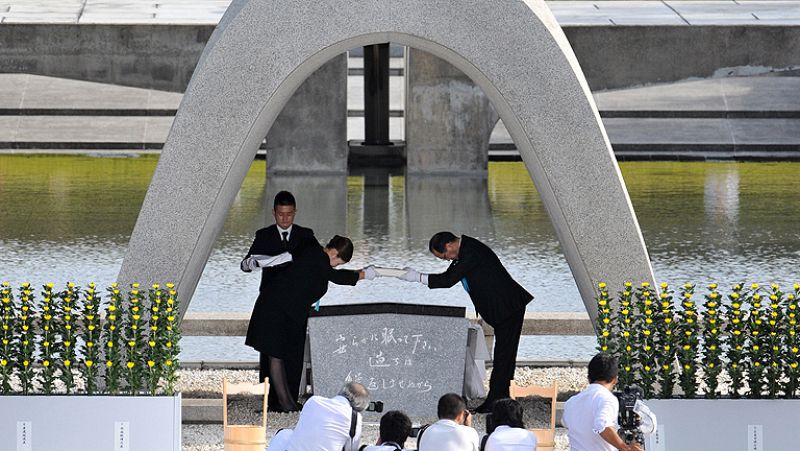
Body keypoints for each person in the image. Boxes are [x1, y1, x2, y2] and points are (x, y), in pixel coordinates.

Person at [242, 191, 376, 411]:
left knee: (284, 354)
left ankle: (285, 401)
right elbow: (336, 276)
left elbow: (316, 275)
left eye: (289, 214)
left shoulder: (308, 240)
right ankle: (282, 403)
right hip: (276, 306)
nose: (336, 266)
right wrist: (363, 274)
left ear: (295, 212)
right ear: (335, 254)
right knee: (274, 354)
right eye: (339, 262)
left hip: (288, 309)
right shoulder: (318, 256)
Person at [398, 232, 533, 413]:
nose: (446, 260)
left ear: (449, 246)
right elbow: (449, 275)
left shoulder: (471, 252)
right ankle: (499, 398)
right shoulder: (465, 251)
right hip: (504, 307)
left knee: (504, 356)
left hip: (509, 306)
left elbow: (447, 280)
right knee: (502, 356)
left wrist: (418, 277)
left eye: (444, 256)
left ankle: (498, 401)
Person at [562, 353, 643, 451]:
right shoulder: (607, 398)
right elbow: (602, 425)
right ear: (615, 380)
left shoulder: (571, 402)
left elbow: (565, 422)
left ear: (588, 378)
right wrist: (624, 448)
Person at [266, 382, 370, 451]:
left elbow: (302, 430)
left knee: (284, 433)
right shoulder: (354, 418)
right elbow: (351, 449)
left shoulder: (314, 400)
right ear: (358, 407)